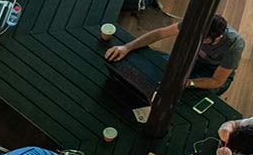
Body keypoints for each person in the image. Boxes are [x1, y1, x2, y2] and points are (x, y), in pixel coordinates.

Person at [103, 13, 245, 96]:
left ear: (218, 37)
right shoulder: (194, 23)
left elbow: (217, 81)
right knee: (155, 71)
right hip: (191, 58)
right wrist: (127, 47)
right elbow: (160, 33)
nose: (196, 39)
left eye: (203, 40)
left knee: (178, 96)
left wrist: (187, 83)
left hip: (213, 72)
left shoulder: (234, 46)